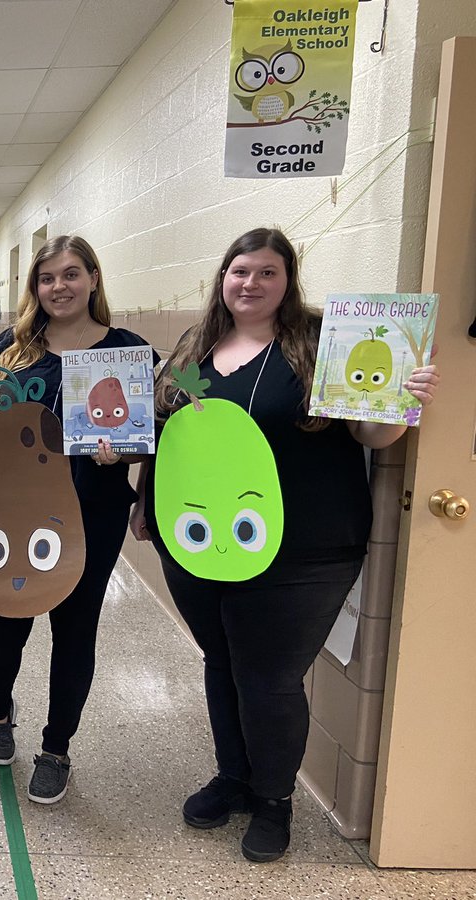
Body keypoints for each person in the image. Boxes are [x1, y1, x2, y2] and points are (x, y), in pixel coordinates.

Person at [130, 227, 439, 862]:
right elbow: (168, 429)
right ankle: (234, 778)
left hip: (304, 547)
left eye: (267, 273)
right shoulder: (197, 349)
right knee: (222, 661)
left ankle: (274, 801)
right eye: (240, 270)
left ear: (287, 281)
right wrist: (143, 503)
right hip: (198, 544)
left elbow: (369, 435)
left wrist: (399, 405)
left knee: (270, 677)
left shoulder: (318, 344)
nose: (251, 283)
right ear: (223, 277)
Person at [0, 235, 153, 804]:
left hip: (88, 512)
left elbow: (148, 442)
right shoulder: (12, 348)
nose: (59, 287)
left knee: (75, 631)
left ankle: (56, 749)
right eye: (48, 278)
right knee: (2, 624)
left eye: (72, 274)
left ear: (94, 280)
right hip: (13, 511)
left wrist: (121, 455)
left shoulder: (128, 352)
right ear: (36, 287)